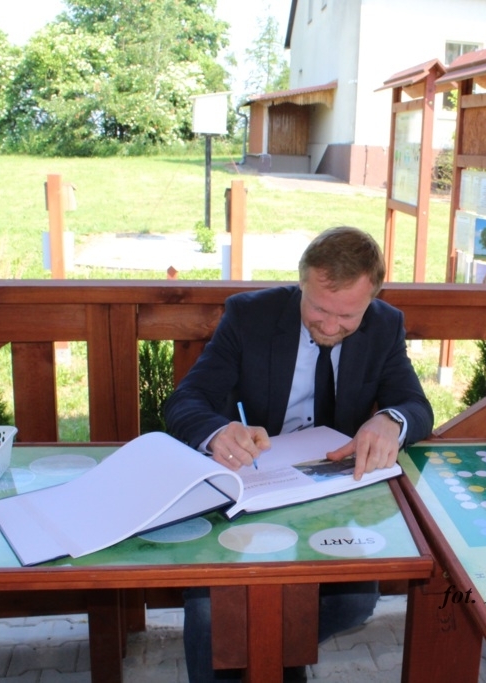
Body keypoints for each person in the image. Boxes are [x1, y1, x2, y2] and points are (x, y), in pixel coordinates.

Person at [164, 225, 434, 683]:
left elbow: (416, 406)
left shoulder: (385, 325)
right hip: (248, 485)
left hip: (328, 495)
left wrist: (391, 420)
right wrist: (217, 432)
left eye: (347, 316)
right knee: (212, 611)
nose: (330, 327)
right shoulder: (250, 315)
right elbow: (186, 400)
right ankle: (268, 660)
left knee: (353, 601)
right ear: (301, 282)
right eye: (319, 309)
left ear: (372, 298)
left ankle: (274, 655)